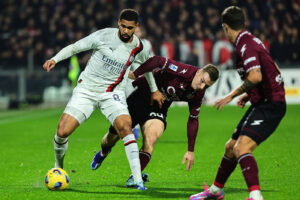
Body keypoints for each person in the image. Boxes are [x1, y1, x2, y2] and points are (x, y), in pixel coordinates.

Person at [42, 9, 164, 190]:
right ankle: (58, 167)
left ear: (136, 27)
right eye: (122, 26)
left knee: (125, 127)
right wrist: (55, 59)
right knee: (62, 131)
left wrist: (154, 90)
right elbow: (76, 46)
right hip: (87, 90)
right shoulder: (103, 36)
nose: (125, 31)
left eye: (129, 28)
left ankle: (138, 180)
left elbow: (147, 67)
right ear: (118, 23)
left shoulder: (139, 47)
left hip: (112, 93)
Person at [189, 6, 286, 200]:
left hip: (271, 104)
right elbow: (272, 68)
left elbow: (256, 76)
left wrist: (230, 96)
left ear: (225, 27)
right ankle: (216, 191)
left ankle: (255, 196)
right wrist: (249, 95)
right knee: (230, 147)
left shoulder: (245, 44)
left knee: (241, 148)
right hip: (263, 102)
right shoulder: (251, 40)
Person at [90, 55, 219, 187]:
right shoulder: (183, 71)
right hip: (139, 99)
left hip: (159, 107)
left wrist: (190, 150)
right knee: (110, 139)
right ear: (198, 72)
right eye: (202, 81)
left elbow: (193, 119)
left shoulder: (198, 94)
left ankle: (135, 177)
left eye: (206, 86)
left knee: (151, 137)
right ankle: (104, 152)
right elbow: (157, 60)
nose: (202, 87)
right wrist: (136, 74)